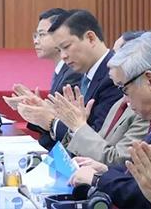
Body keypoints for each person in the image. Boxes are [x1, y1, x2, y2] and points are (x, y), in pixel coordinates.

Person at [71, 32, 151, 209]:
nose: (124, 100)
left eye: (124, 89)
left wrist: (98, 179)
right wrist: (107, 171)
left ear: (150, 80)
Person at [16, 10, 124, 149]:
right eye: (59, 50)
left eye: (66, 47)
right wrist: (47, 111)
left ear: (90, 38)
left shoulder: (113, 77)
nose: (63, 56)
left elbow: (98, 141)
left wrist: (52, 121)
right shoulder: (88, 73)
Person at [48, 30, 151, 166]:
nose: (110, 62)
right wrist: (75, 128)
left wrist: (79, 126)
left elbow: (117, 161)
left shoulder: (144, 110)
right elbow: (97, 146)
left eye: (116, 56)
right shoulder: (120, 103)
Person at [4, 8, 84, 149]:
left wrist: (37, 109)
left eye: (41, 35)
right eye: (35, 35)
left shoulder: (73, 74)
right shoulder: (62, 70)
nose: (36, 41)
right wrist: (35, 106)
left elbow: (63, 126)